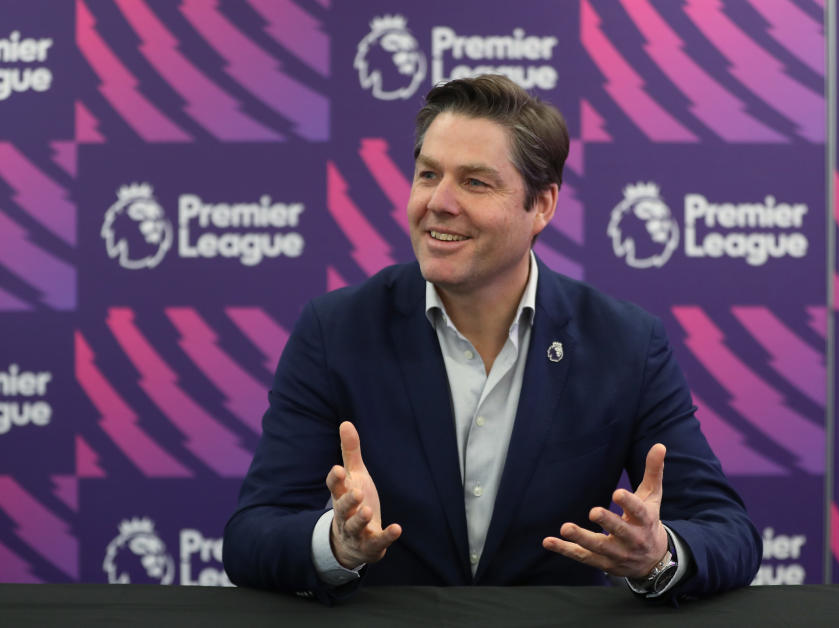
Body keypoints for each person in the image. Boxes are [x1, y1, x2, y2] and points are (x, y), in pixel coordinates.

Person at [223, 74, 761, 604]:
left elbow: (728, 529)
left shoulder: (626, 343)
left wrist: (657, 557)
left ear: (542, 206)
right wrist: (337, 546)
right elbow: (251, 535)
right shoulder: (335, 330)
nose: (439, 202)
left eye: (475, 182)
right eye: (428, 174)